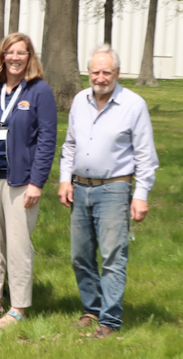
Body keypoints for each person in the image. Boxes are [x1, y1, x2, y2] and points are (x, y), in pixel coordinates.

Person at [58, 45, 159, 339]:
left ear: (117, 73)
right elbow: (71, 145)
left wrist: (141, 194)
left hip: (115, 188)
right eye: (95, 72)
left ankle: (110, 320)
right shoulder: (80, 100)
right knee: (80, 255)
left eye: (106, 72)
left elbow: (146, 156)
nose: (100, 78)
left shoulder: (133, 105)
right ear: (88, 73)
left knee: (114, 256)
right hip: (80, 187)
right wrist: (65, 179)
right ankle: (92, 310)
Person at [0, 32, 57, 328]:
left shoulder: (39, 91)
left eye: (22, 53)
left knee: (17, 243)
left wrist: (37, 182)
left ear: (30, 57)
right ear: (2, 56)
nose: (15, 58)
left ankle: (18, 306)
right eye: (10, 52)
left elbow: (46, 140)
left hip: (20, 180)